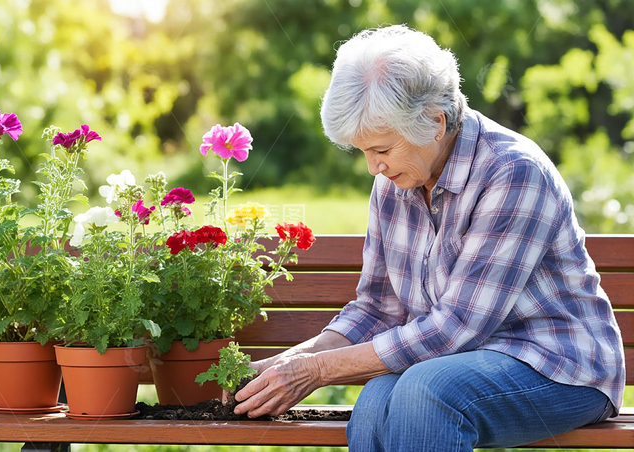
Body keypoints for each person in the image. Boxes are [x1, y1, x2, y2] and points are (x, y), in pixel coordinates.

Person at [232, 25, 625, 451]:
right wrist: (293, 362)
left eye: (381, 150)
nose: (372, 168)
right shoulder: (394, 184)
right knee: (376, 402)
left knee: (426, 392)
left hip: (560, 367)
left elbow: (456, 327)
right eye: (363, 152)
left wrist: (319, 371)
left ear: (435, 122)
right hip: (455, 362)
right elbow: (377, 308)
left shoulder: (513, 172)